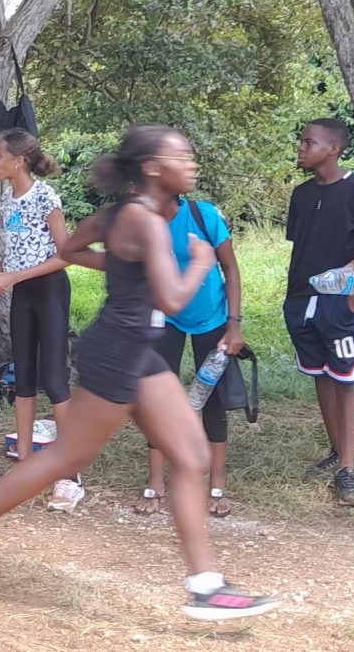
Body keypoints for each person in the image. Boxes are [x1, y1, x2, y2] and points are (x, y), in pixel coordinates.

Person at [0, 125, 281, 622]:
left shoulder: (120, 214)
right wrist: (199, 262)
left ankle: (206, 585)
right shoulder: (145, 221)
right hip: (120, 352)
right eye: (181, 157)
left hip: (137, 351)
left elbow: (72, 251)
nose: (191, 164)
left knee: (191, 456)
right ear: (152, 168)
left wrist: (125, 266)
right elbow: (172, 299)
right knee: (68, 456)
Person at [0, 128, 80, 511]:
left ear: (18, 161)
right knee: (23, 379)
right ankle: (23, 461)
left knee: (54, 379)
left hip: (49, 291)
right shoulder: (8, 196)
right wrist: (1, 274)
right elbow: (22, 248)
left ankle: (70, 474)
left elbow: (66, 254)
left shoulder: (46, 196)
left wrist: (14, 277)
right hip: (22, 292)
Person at [284, 118, 354, 506]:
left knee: (345, 377)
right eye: (302, 141)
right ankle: (336, 450)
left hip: (341, 302)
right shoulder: (301, 194)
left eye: (309, 142)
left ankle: (348, 468)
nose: (301, 147)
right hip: (300, 299)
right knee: (320, 374)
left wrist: (351, 299)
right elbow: (302, 245)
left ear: (333, 149)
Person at [134, 189, 245, 518]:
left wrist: (234, 324)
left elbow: (231, 269)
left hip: (211, 316)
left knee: (213, 398)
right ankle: (156, 482)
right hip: (165, 316)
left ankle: (217, 484)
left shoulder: (203, 216)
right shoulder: (143, 222)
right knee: (158, 399)